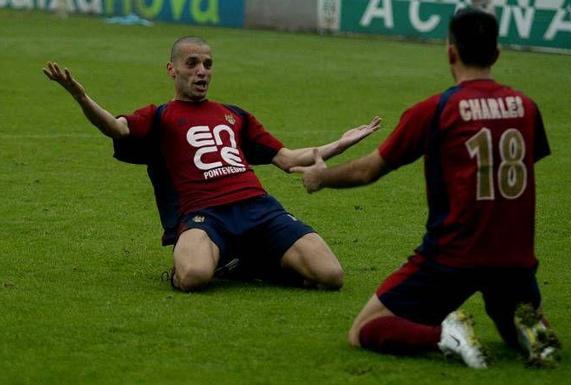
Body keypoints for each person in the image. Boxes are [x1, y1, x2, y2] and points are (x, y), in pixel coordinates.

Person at [292, 9, 560, 368]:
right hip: (514, 260)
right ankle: (534, 333)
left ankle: (446, 334)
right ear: (497, 53)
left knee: (365, 330)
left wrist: (320, 177)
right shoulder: (525, 108)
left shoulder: (437, 110)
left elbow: (368, 170)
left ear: (450, 51)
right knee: (512, 323)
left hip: (452, 256)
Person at [43, 36, 381, 292]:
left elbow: (288, 159)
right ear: (172, 69)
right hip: (204, 214)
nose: (202, 71)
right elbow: (115, 128)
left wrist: (340, 143)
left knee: (331, 275)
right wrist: (81, 97)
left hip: (259, 208)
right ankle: (223, 259)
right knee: (193, 277)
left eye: (207, 64)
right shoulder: (159, 116)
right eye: (192, 63)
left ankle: (248, 261)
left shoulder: (234, 114)